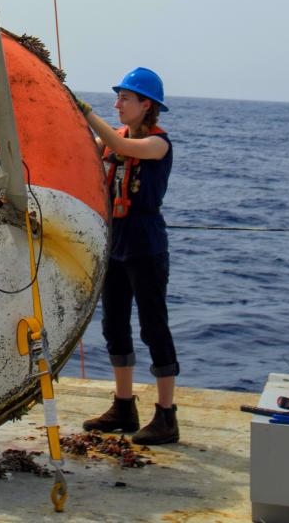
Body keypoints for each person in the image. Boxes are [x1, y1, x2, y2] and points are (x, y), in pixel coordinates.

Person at [77, 67, 179, 445]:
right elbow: (99, 149)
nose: (118, 104)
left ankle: (166, 416)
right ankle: (124, 406)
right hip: (115, 240)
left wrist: (86, 112)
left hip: (146, 243)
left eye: (125, 98)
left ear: (145, 105)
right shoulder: (116, 138)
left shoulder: (158, 145)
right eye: (117, 97)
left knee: (154, 326)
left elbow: (122, 150)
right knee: (114, 325)